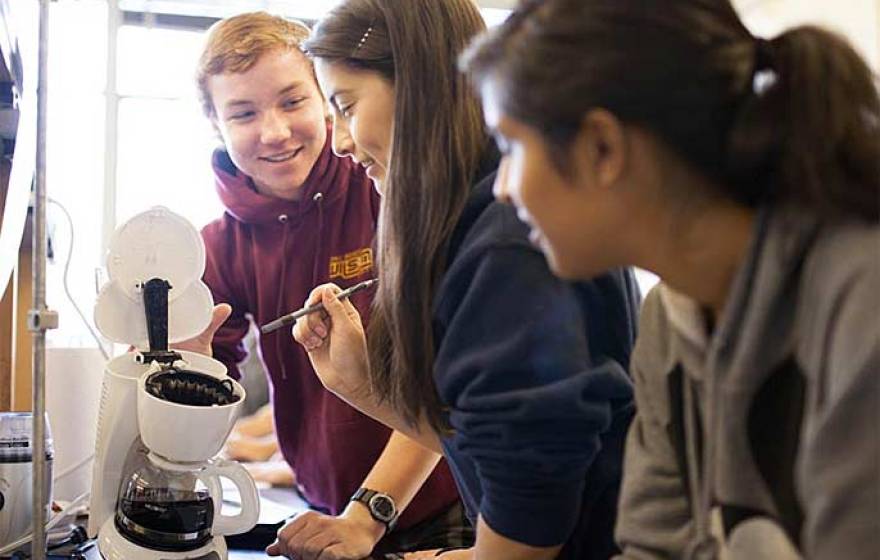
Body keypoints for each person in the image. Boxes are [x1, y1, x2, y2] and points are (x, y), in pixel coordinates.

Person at [462, 1, 880, 559]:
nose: (503, 189)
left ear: (602, 148)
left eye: (512, 147)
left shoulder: (861, 296)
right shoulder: (668, 321)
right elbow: (652, 545)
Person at [290, 1, 641, 558]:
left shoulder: (504, 246)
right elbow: (491, 453)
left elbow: (528, 535)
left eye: (347, 106)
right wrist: (360, 387)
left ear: (420, 86)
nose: (340, 143)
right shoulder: (471, 227)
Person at [191, 11, 468, 559]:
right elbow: (204, 383)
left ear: (326, 97)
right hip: (328, 511)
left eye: (293, 101)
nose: (273, 131)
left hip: (439, 509)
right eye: (243, 113)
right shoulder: (219, 244)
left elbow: (446, 391)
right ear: (214, 123)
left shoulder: (385, 189)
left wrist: (369, 515)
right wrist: (183, 374)